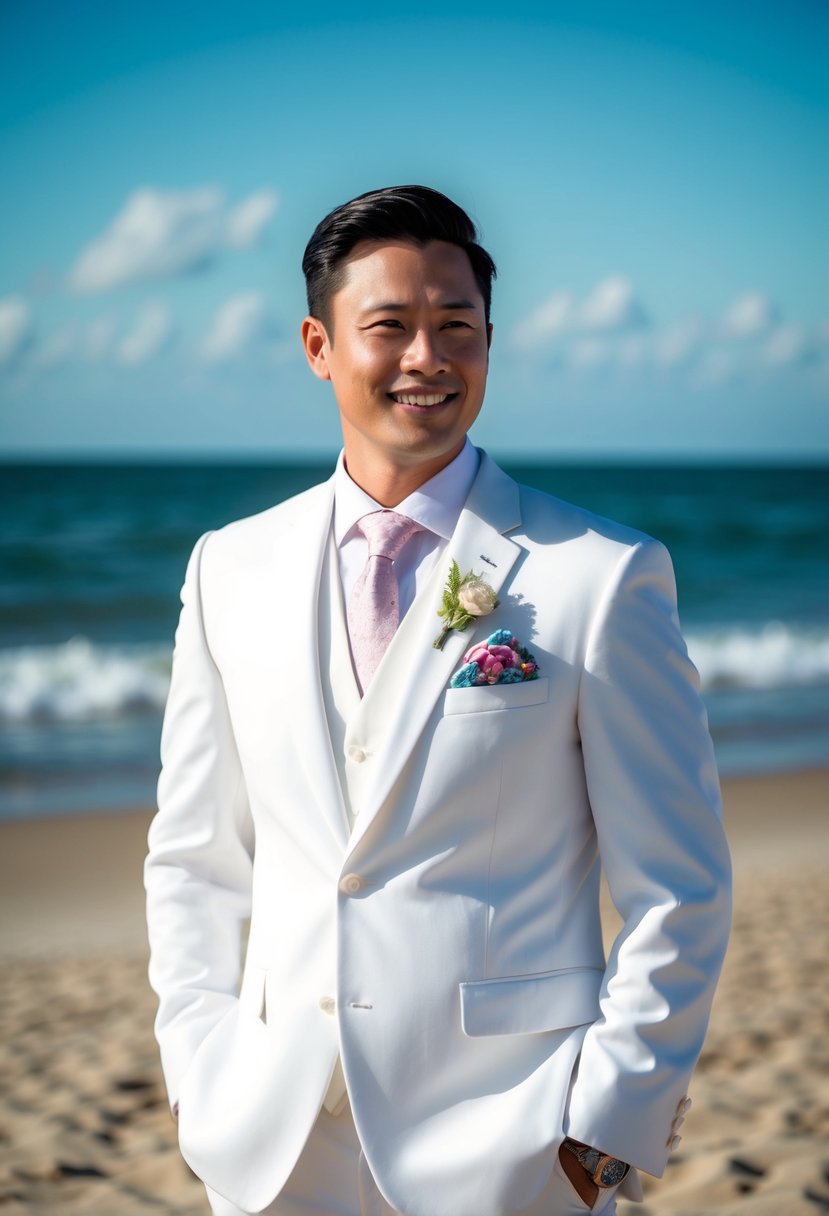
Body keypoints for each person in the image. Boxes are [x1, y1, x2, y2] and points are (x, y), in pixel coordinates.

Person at [145, 185, 732, 1216]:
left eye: (456, 327)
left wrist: (603, 1129)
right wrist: (199, 1075)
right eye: (390, 327)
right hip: (275, 1145)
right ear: (319, 346)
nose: (427, 356)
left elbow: (679, 884)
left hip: (510, 1145)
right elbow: (196, 855)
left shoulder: (601, 573)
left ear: (490, 344)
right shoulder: (227, 566)